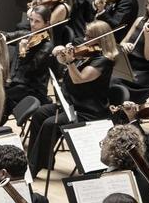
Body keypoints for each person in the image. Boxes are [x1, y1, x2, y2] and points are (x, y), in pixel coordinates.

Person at [28, 21, 118, 177]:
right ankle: (42, 161)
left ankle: (33, 168)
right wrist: (62, 54)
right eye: (85, 35)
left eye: (89, 37)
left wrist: (70, 61)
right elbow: (63, 63)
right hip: (70, 104)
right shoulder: (86, 53)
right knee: (39, 114)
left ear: (100, 39)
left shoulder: (104, 60)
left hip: (87, 111)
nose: (85, 39)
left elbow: (79, 78)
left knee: (50, 124)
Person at [4, 4, 56, 119]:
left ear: (46, 23)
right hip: (17, 83)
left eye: (37, 21)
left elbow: (30, 70)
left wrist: (23, 52)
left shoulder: (47, 46)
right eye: (31, 20)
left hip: (32, 88)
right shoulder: (27, 35)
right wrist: (0, 37)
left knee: (1, 98)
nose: (32, 24)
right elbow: (8, 36)